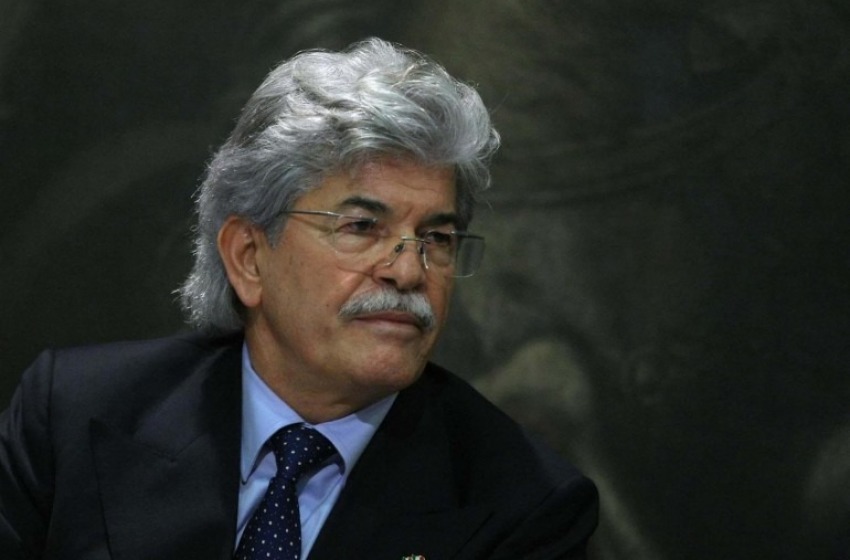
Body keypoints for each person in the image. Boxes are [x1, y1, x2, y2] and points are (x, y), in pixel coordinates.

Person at [0, 38, 598, 559]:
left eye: (436, 238)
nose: (409, 271)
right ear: (248, 256)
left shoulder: (524, 506)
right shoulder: (74, 414)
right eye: (362, 227)